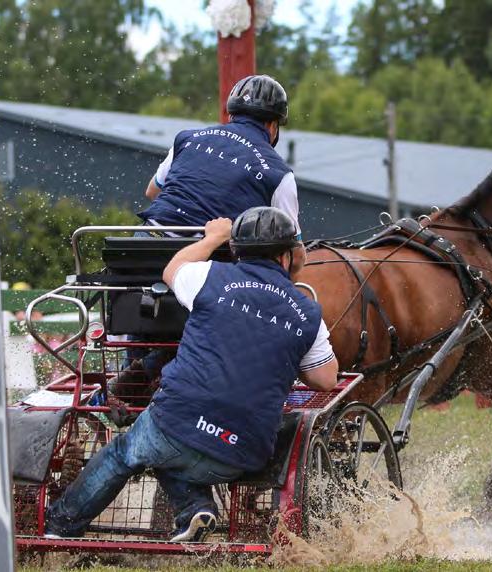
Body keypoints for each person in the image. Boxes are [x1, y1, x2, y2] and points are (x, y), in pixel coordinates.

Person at [45, 207, 338, 542]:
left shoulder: (210, 277)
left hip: (176, 424)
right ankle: (195, 509)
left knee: (126, 453)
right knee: (175, 454)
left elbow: (172, 269)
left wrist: (212, 237)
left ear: (235, 251)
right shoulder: (307, 311)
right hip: (244, 453)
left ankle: (59, 526)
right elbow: (326, 379)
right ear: (286, 257)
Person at [139, 74, 306, 275]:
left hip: (143, 247)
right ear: (273, 126)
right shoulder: (279, 174)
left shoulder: (187, 139)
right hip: (209, 267)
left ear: (231, 115)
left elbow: (152, 191)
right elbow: (294, 256)